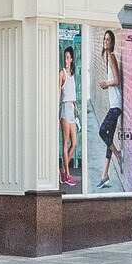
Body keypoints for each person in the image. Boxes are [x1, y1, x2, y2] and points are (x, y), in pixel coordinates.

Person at [95, 29, 125, 185]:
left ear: (112, 42)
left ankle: (119, 155)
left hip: (116, 105)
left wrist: (106, 84)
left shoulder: (111, 57)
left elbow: (117, 80)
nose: (105, 42)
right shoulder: (108, 57)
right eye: (104, 39)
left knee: (102, 132)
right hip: (115, 104)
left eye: (108, 40)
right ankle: (104, 176)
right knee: (109, 139)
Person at [58, 47, 80, 188]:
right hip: (65, 108)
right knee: (65, 143)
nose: (66, 60)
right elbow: (59, 93)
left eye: (68, 58)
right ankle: (67, 175)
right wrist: (56, 112)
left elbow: (72, 92)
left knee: (75, 143)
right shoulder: (62, 73)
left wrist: (76, 105)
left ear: (71, 59)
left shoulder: (72, 74)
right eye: (64, 57)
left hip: (72, 108)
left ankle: (62, 170)